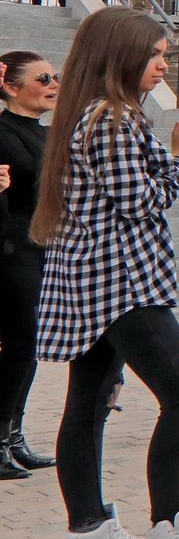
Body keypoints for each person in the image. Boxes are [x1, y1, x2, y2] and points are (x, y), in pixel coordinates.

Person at [33, 8, 179, 539]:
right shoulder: (110, 118)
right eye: (154, 53)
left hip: (97, 279)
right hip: (121, 282)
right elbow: (141, 202)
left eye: (164, 54)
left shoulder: (96, 114)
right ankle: (171, 532)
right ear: (119, 56)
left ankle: (89, 533)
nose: (162, 63)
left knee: (91, 400)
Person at [0, 52, 59, 479]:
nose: (54, 83)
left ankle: (13, 435)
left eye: (55, 76)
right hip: (9, 247)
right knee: (19, 344)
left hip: (41, 248)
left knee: (29, 345)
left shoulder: (49, 133)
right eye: (43, 77)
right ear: (11, 86)